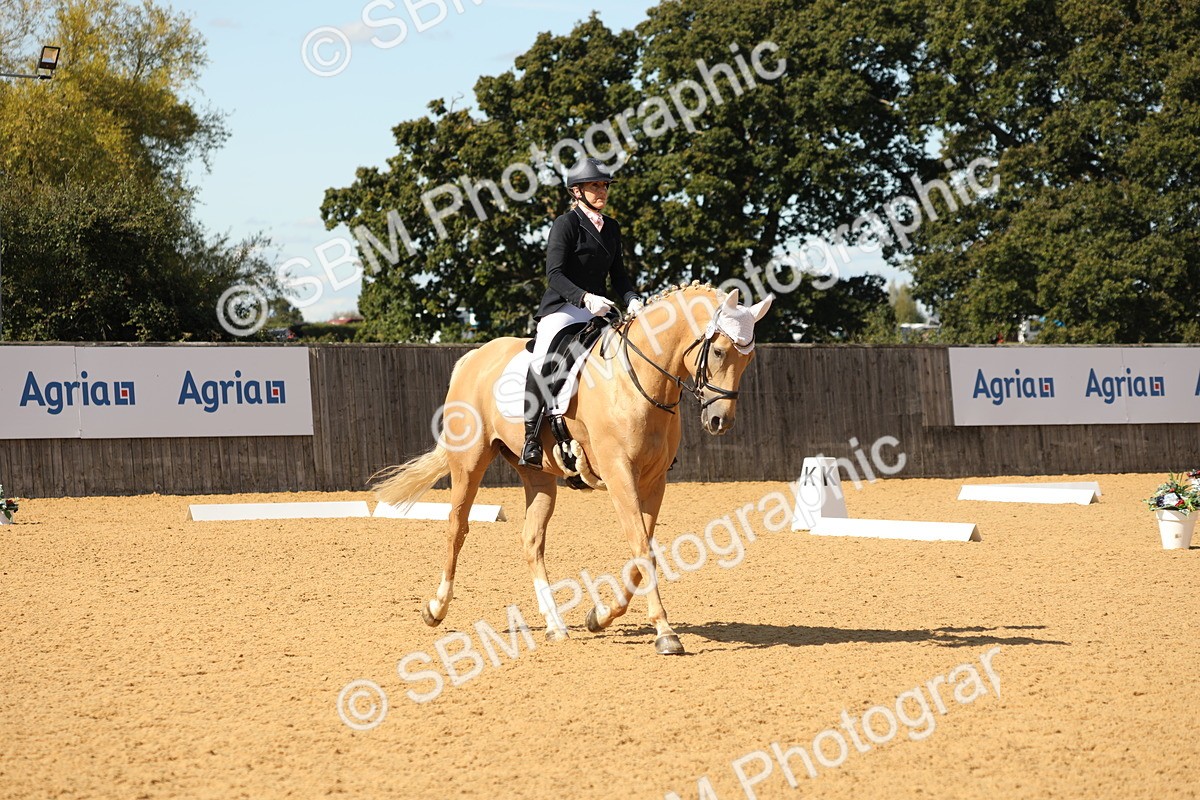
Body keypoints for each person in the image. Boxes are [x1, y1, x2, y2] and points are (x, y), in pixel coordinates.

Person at [519, 157, 643, 469]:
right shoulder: (566, 224)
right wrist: (584, 298)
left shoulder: (611, 227)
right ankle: (531, 437)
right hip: (563, 308)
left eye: (604, 185)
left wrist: (632, 298)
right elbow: (555, 275)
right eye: (595, 185)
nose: (602, 190)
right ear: (577, 191)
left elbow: (619, 276)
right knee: (544, 356)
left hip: (599, 309)